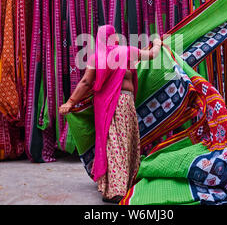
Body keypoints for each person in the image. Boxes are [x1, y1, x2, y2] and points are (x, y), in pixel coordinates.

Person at [59, 25, 162, 203]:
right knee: (121, 144)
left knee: (113, 143)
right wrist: (159, 43)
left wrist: (71, 102)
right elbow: (151, 56)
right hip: (124, 103)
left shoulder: (97, 57)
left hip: (105, 104)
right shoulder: (125, 51)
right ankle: (116, 190)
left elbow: (85, 82)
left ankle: (112, 185)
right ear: (113, 37)